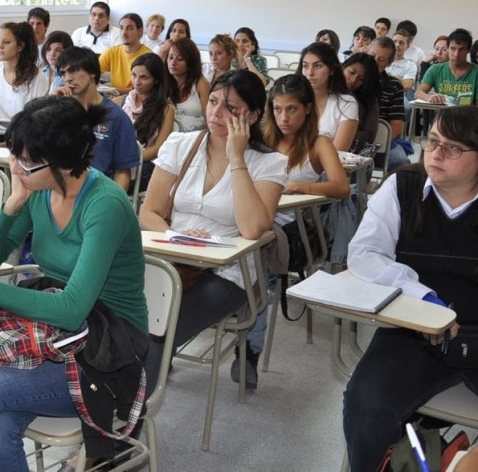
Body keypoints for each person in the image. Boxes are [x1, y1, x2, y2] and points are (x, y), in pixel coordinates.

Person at [0, 95, 148, 472]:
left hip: (109, 351)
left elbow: (73, 308)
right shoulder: (40, 190)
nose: (16, 165)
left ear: (62, 163)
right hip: (58, 334)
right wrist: (14, 201)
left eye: (25, 161)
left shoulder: (105, 204)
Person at [343, 105, 478, 472]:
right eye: (433, 141)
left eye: (453, 148)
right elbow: (365, 253)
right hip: (413, 334)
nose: (435, 154)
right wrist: (422, 299)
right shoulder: (403, 186)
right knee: (365, 401)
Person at [140, 69, 286, 355]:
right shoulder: (180, 144)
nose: (216, 112)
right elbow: (149, 213)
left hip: (228, 273)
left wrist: (236, 157)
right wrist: (178, 236)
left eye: (230, 108)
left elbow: (253, 228)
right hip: (172, 258)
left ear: (253, 116)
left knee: (159, 333)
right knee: (125, 319)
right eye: (214, 102)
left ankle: (138, 396)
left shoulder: (271, 163)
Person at [242, 74, 349, 385]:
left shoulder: (319, 143)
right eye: (276, 109)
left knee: (260, 252)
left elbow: (342, 187)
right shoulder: (262, 138)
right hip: (260, 221)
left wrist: (303, 186)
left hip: (298, 232)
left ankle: (250, 347)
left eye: (291, 110)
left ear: (306, 110)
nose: (283, 118)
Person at [55, 47, 139, 191]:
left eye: (74, 70)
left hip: (98, 192)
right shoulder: (60, 111)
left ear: (92, 72)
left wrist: (112, 203)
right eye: (63, 73)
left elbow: (123, 172)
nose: (68, 78)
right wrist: (53, 105)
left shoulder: (116, 117)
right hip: (60, 189)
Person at [121, 53, 174, 191]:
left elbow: (158, 149)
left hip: (143, 163)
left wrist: (126, 159)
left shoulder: (166, 109)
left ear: (156, 80)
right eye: (134, 75)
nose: (136, 82)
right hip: (118, 160)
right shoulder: (120, 101)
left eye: (144, 77)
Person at [297, 41, 359, 151]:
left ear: (332, 70)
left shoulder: (346, 103)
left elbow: (338, 152)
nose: (310, 72)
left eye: (318, 66)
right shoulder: (293, 99)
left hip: (327, 165)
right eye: (305, 66)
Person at [368, 37, 410, 169]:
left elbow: (397, 124)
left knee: (401, 162)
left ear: (389, 63)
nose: (374, 62)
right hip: (352, 139)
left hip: (382, 141)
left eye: (381, 59)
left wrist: (376, 146)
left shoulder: (395, 85)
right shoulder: (352, 79)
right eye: (372, 56)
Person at [417, 28, 478, 106]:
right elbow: (419, 92)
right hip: (442, 115)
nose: (456, 54)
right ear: (448, 48)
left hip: (468, 116)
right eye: (453, 49)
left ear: (468, 50)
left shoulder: (476, 72)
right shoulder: (435, 69)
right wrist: (429, 97)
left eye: (461, 50)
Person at [98, 12, 153, 95]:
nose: (124, 33)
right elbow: (92, 72)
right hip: (114, 100)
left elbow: (144, 90)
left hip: (137, 100)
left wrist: (113, 90)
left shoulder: (148, 56)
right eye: (121, 28)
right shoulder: (112, 52)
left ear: (140, 31)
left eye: (129, 28)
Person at [166, 37, 210, 132]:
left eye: (180, 59)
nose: (173, 62)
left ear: (191, 62)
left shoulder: (201, 84)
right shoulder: (164, 82)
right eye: (170, 57)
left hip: (194, 139)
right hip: (168, 138)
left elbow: (210, 120)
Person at [341, 53, 380, 153]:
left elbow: (369, 135)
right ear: (343, 67)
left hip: (352, 151)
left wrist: (342, 133)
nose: (354, 80)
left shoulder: (369, 101)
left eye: (361, 79)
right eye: (351, 73)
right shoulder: (327, 91)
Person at [389, 28, 418, 93]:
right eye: (395, 41)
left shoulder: (410, 65)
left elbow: (406, 85)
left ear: (407, 46)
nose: (397, 45)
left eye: (401, 43)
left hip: (399, 96)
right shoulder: (382, 60)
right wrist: (399, 79)